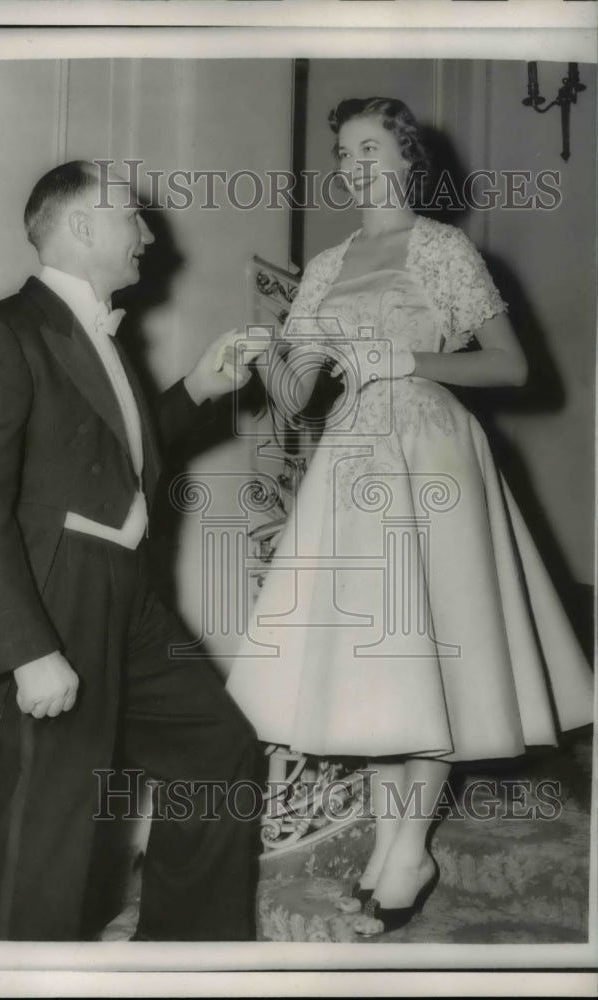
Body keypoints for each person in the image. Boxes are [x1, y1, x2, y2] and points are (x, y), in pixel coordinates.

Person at [226, 98, 594, 936]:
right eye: (343, 151)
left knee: (432, 644)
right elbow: (297, 392)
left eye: (368, 147)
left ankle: (405, 848)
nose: (352, 163)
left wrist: (408, 357)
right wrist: (270, 357)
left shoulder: (441, 247)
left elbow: (510, 365)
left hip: (430, 449)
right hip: (353, 456)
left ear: (404, 159)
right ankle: (402, 847)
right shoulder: (328, 263)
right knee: (385, 657)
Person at [0, 160, 266, 941]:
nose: (148, 234)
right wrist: (26, 649)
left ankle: (187, 962)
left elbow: (110, 464)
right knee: (46, 817)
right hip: (52, 594)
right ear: (81, 225)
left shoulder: (100, 337)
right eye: (133, 217)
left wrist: (197, 393)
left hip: (129, 594)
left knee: (217, 751)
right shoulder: (2, 332)